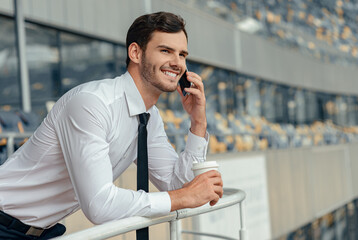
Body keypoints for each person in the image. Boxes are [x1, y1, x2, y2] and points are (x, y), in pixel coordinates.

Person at [0, 11, 223, 239]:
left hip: (40, 231)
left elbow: (177, 186)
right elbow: (99, 205)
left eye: (182, 54)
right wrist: (184, 196)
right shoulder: (91, 103)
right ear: (135, 52)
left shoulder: (149, 117)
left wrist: (198, 122)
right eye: (166, 50)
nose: (177, 63)